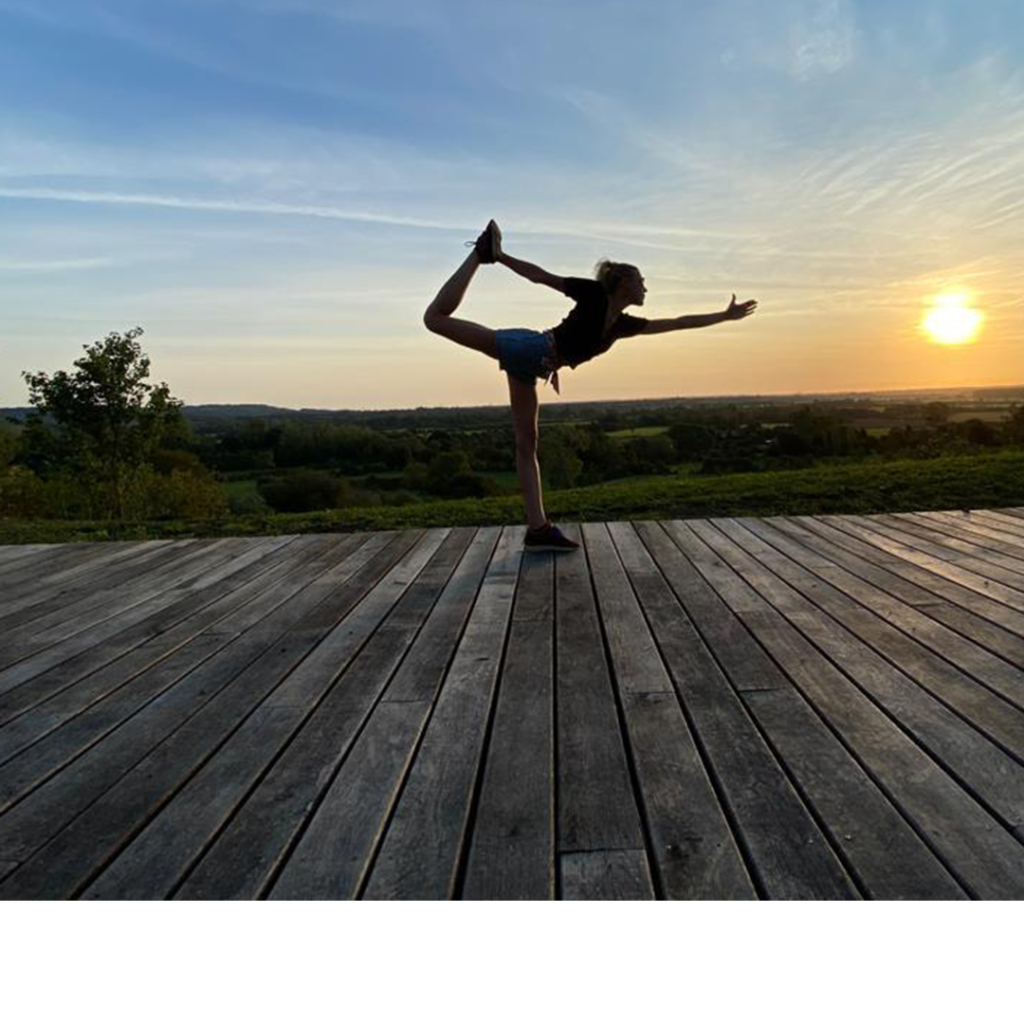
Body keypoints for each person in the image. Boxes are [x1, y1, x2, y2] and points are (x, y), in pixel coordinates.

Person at [422, 219, 757, 552]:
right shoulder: (595, 295)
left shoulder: (622, 325)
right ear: (623, 281)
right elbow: (541, 277)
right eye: (641, 281)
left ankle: (538, 529)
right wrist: (500, 256)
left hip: (534, 364)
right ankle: (480, 255)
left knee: (527, 444)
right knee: (434, 319)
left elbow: (678, 323)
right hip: (530, 349)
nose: (645, 288)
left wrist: (723, 316)